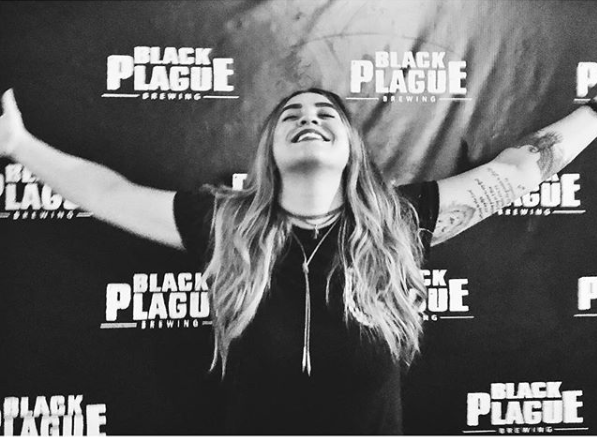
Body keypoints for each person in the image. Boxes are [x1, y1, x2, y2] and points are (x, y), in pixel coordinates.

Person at [1, 87, 597, 434]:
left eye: (325, 115)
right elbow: (109, 194)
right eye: (291, 116)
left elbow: (516, 171)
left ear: (351, 148)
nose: (308, 119)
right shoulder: (225, 225)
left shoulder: (398, 220)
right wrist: (20, 145)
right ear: (269, 149)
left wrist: (593, 112)